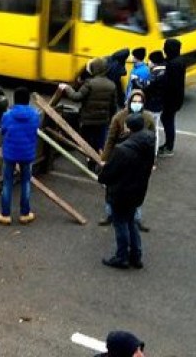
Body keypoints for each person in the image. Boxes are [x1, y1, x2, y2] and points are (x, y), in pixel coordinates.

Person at [98, 113, 155, 269]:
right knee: (131, 222)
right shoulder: (149, 141)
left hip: (121, 192)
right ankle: (136, 256)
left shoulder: (122, 150)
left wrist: (102, 172)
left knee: (121, 224)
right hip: (138, 190)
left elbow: (108, 174)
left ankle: (121, 256)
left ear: (128, 128)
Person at [99, 90, 156, 232]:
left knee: (136, 190)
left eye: (140, 101)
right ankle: (110, 214)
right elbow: (110, 139)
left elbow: (152, 141)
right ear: (129, 101)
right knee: (111, 188)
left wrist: (152, 162)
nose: (137, 104)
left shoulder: (148, 118)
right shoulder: (119, 117)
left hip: (138, 161)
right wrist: (104, 159)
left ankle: (136, 219)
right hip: (120, 157)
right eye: (134, 101)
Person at [0, 87, 41, 226]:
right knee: (26, 182)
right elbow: (35, 129)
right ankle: (25, 214)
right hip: (27, 153)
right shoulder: (34, 115)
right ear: (28, 100)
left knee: (7, 182)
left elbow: (3, 130)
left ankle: (5, 215)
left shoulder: (7, 115)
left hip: (10, 153)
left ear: (15, 99)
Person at [60, 57, 118, 169]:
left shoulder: (89, 84)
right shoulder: (112, 85)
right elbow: (113, 106)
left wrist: (67, 88)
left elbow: (76, 97)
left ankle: (90, 161)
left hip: (88, 119)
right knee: (100, 143)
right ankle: (101, 162)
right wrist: (109, 119)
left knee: (88, 142)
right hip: (103, 120)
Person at [157, 38, 186, 157]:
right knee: (168, 120)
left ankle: (169, 147)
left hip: (171, 99)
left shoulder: (173, 65)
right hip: (176, 98)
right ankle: (168, 145)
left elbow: (169, 83)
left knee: (168, 120)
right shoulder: (178, 61)